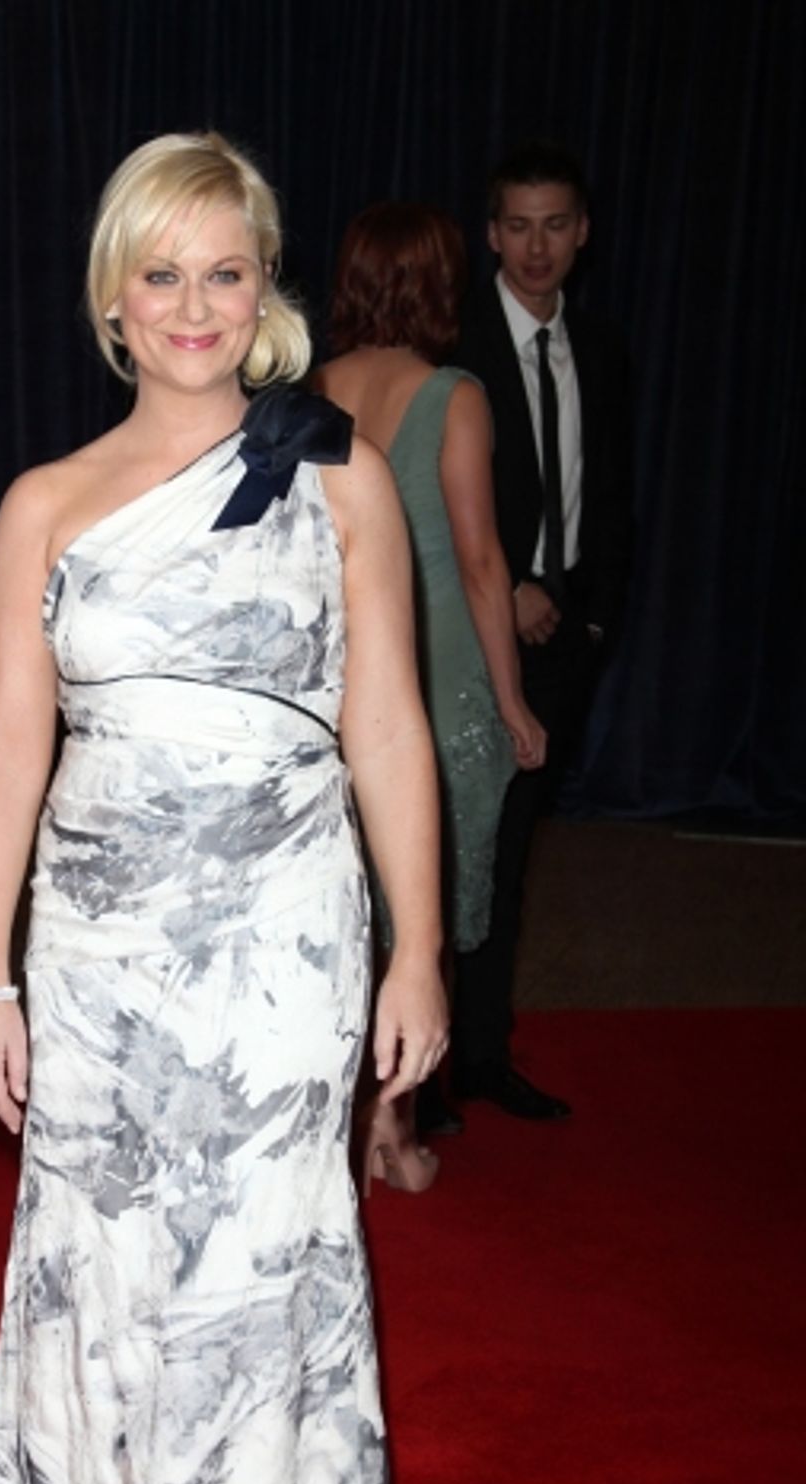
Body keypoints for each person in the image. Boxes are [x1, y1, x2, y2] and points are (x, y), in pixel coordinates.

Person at [0, 131, 447, 1484]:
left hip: (285, 956)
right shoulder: (48, 506)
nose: (194, 306)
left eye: (226, 271)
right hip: (92, 970)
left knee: (254, 1307)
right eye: (161, 273)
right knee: (103, 1300)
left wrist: (424, 947)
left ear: (270, 290)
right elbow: (8, 747)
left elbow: (386, 723)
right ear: (112, 296)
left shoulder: (339, 476)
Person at [317, 201, 546, 1188]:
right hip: (436, 664)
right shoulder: (453, 394)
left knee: (349, 915)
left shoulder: (314, 388)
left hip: (335, 673)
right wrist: (513, 699)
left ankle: (340, 1121)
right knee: (427, 913)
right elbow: (483, 563)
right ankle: (394, 1130)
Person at [452, 142, 633, 1120]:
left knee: (513, 855)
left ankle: (483, 1056)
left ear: (582, 233)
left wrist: (592, 613)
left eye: (554, 224)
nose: (536, 245)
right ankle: (426, 1072)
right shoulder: (455, 340)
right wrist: (509, 584)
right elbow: (433, 506)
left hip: (564, 640)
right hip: (467, 634)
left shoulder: (600, 348)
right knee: (448, 852)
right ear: (491, 235)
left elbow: (612, 497)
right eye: (517, 225)